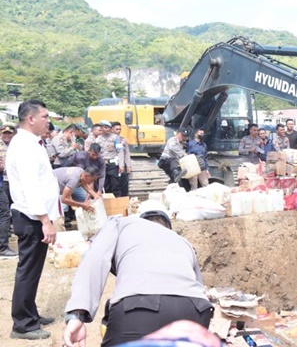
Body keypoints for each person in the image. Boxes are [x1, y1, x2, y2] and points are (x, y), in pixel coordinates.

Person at [62, 209, 213, 347]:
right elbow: (199, 287)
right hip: (196, 310)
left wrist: (77, 313)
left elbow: (95, 257)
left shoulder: (121, 223)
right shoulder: (183, 242)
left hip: (139, 309)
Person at [8, 99, 60, 340]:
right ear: (31, 119)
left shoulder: (31, 143)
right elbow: (30, 187)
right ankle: (23, 324)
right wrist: (45, 220)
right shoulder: (25, 146)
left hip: (35, 216)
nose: (47, 121)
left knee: (33, 270)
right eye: (44, 117)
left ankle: (30, 313)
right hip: (31, 217)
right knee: (28, 271)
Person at [0, 123, 17, 259]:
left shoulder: (16, 146)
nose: (6, 135)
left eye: (9, 133)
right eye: (4, 133)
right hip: (3, 181)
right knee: (4, 212)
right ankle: (2, 246)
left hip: (13, 180)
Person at [95, 120, 123, 195]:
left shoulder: (115, 138)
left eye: (108, 127)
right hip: (102, 164)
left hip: (112, 164)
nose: (107, 129)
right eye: (105, 127)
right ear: (101, 128)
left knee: (115, 184)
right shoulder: (98, 139)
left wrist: (121, 164)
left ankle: (117, 200)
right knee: (105, 185)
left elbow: (120, 151)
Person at [112, 122, 132, 197]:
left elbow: (126, 153)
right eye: (116, 129)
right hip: (113, 164)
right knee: (114, 184)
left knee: (124, 183)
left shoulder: (123, 140)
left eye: (120, 129)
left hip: (122, 164)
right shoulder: (109, 140)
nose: (118, 131)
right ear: (112, 129)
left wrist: (129, 165)